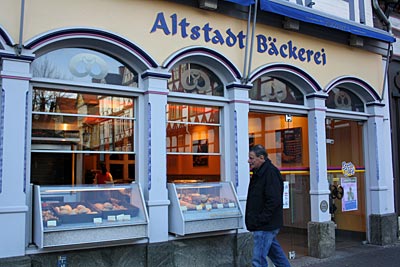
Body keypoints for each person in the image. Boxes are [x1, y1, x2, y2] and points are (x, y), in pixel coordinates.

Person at [246, 144, 291, 267]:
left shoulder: (270, 173)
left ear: (261, 158)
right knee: (278, 257)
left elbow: (273, 201)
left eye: (251, 158)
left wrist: (261, 220)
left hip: (265, 226)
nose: (248, 161)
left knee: (258, 260)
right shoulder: (259, 172)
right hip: (265, 224)